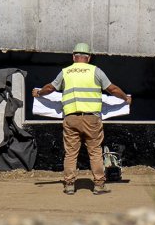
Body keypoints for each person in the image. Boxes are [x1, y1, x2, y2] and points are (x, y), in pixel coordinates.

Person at [31, 42, 131, 196]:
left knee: (71, 153)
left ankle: (69, 185)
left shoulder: (66, 72)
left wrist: (38, 93)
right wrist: (125, 98)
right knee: (95, 152)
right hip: (92, 120)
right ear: (89, 57)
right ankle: (98, 185)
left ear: (73, 56)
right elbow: (112, 89)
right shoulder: (96, 71)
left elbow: (50, 88)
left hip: (71, 119)